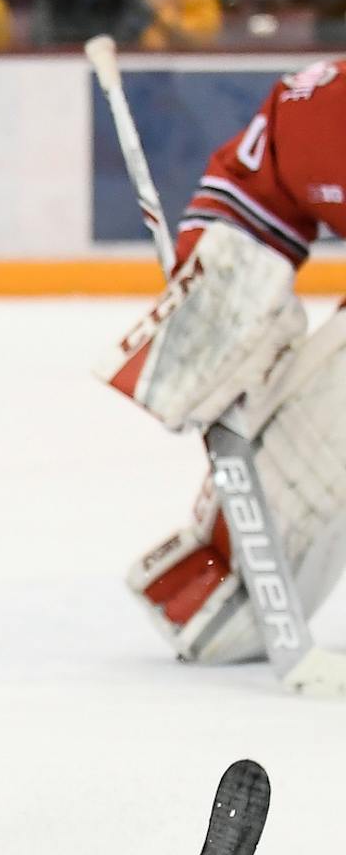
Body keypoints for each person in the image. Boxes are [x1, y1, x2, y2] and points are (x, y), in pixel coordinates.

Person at [101, 57, 346, 666]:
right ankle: (242, 584)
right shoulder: (317, 109)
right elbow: (246, 206)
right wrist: (213, 298)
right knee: (315, 435)